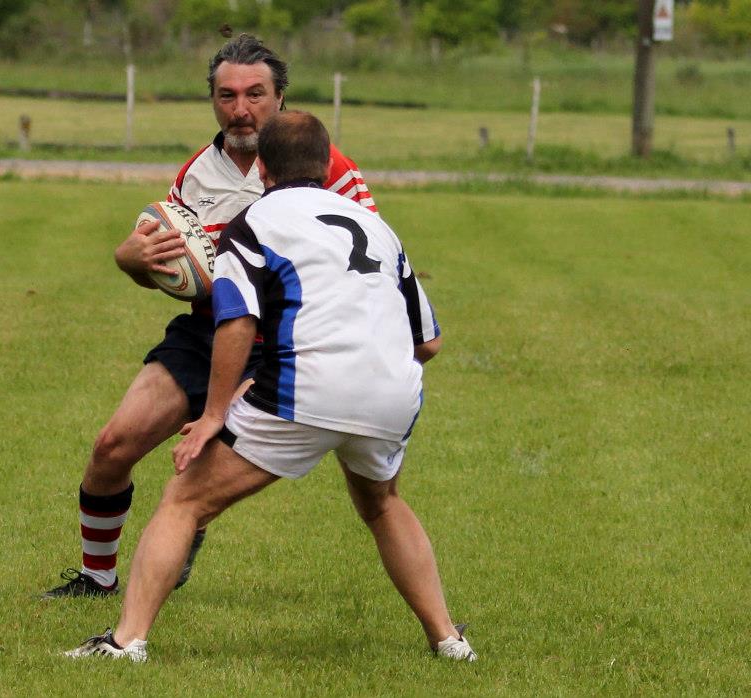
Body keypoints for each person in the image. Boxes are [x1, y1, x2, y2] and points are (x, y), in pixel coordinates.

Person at [64, 111, 477, 663]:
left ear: (261, 167)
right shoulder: (378, 227)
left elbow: (236, 321)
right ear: (326, 163)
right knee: (382, 505)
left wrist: (214, 415)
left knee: (184, 502)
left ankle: (124, 642)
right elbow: (428, 344)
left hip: (306, 389)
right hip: (393, 392)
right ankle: (448, 641)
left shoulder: (255, 222)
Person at [43, 34, 378, 598]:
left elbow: (364, 259)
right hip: (207, 331)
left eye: (255, 94)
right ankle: (97, 578)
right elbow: (174, 267)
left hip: (286, 341)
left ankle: (187, 525)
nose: (241, 109)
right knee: (111, 447)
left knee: (205, 479)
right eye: (227, 96)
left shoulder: (329, 168)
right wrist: (131, 260)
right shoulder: (195, 174)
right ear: (213, 100)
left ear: (279, 99)